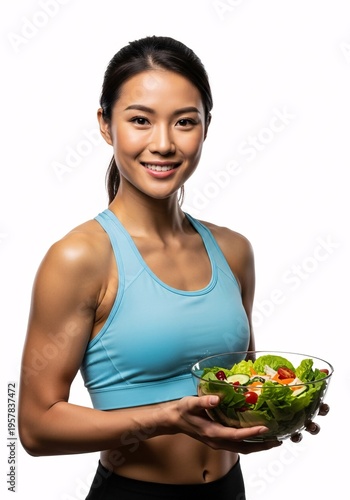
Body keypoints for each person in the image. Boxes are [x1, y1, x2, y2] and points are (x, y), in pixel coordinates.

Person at [18, 35, 328, 500]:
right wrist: (162, 419)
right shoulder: (79, 258)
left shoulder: (234, 251)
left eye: (185, 122)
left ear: (206, 127)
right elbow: (36, 428)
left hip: (229, 490)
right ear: (106, 125)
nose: (162, 144)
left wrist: (274, 415)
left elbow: (236, 388)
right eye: (140, 120)